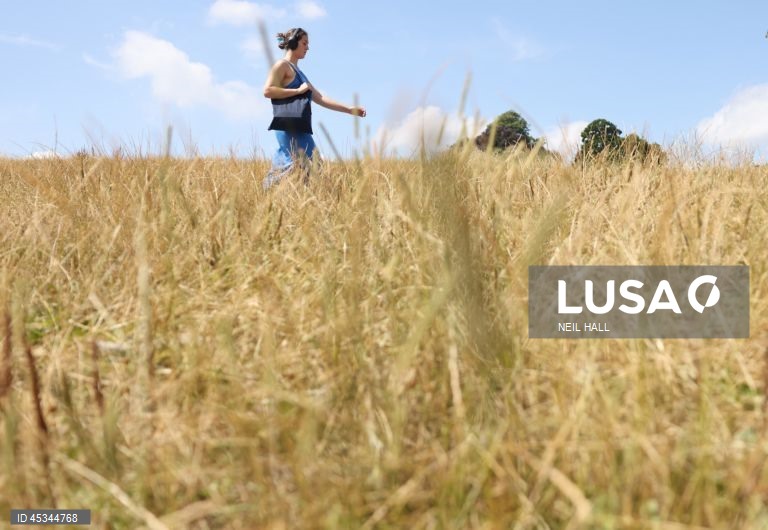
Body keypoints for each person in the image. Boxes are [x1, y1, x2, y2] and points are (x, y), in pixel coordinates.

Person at [262, 27, 366, 189]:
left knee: (313, 167)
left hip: (301, 128)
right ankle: (269, 194)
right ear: (293, 42)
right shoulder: (281, 66)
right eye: (304, 43)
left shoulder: (300, 73)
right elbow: (268, 91)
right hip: (289, 126)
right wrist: (297, 91)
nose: (307, 47)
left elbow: (321, 98)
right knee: (293, 165)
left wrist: (350, 109)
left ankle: (294, 202)